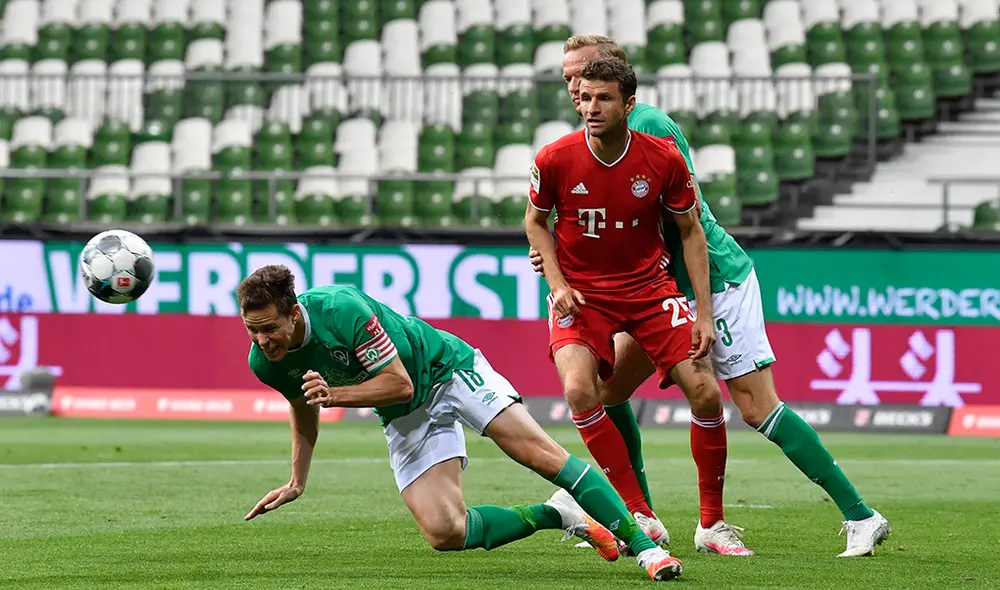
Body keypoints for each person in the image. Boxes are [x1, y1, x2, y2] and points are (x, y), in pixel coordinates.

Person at [530, 35, 891, 558]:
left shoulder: (647, 127)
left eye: (581, 74)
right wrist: (556, 259)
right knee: (606, 393)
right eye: (567, 79)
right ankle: (640, 513)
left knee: (754, 405)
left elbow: (686, 223)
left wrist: (694, 302)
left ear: (615, 78)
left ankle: (860, 515)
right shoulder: (583, 141)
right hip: (650, 287)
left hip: (713, 282)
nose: (573, 87)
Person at [237, 264, 683, 581]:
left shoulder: (342, 309)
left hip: (447, 369)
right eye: (252, 330)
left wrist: (336, 395)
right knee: (445, 532)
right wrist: (297, 479)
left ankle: (646, 550)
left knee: (538, 454)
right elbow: (302, 405)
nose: (262, 340)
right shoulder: (266, 361)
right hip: (403, 413)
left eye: (269, 328)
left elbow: (400, 384)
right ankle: (558, 512)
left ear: (293, 314)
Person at [523, 55, 749, 563]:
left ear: (629, 103)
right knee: (580, 390)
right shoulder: (554, 158)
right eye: (584, 97)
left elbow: (691, 232)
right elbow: (535, 222)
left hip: (651, 291)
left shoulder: (663, 158)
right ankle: (638, 512)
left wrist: (705, 313)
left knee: (708, 394)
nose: (590, 107)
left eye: (603, 98)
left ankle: (711, 523)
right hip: (582, 295)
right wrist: (557, 283)